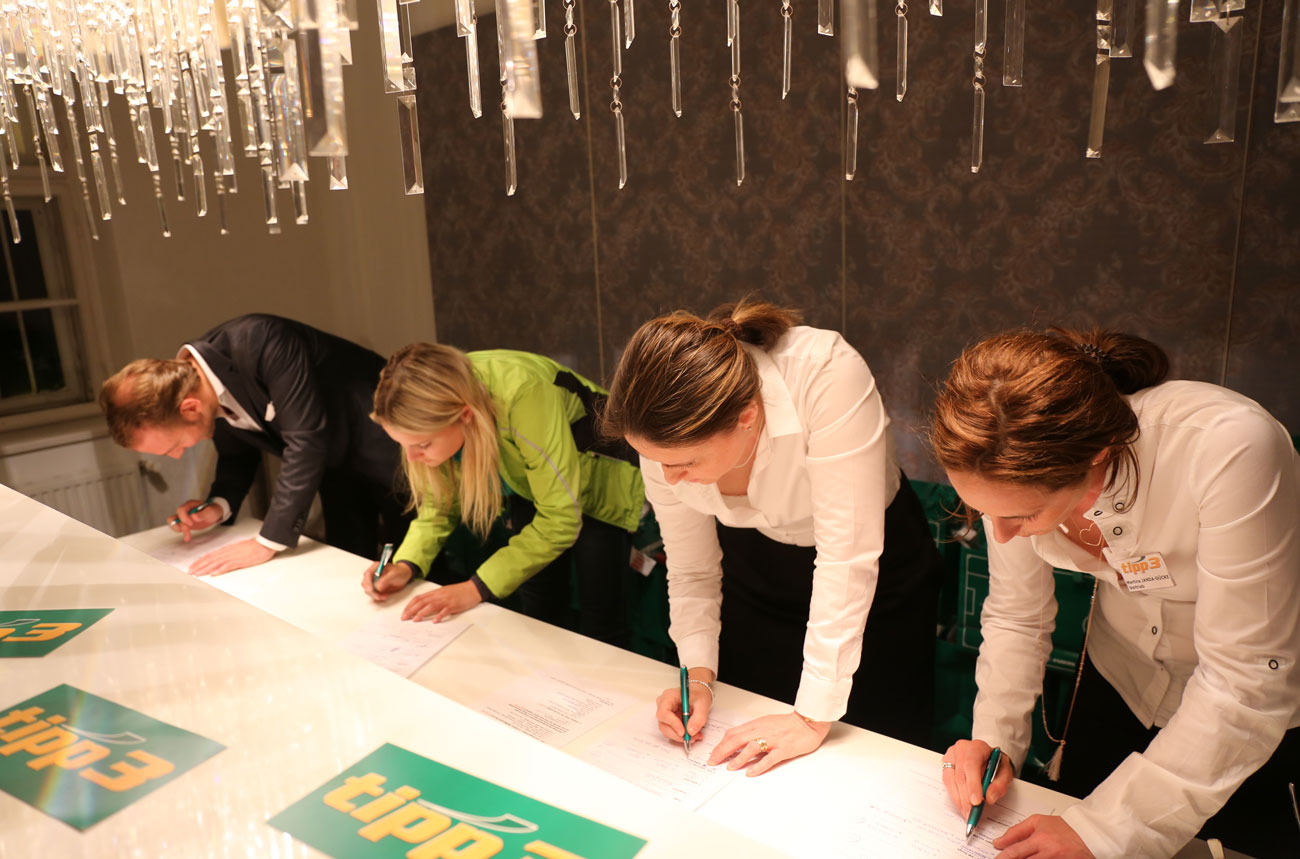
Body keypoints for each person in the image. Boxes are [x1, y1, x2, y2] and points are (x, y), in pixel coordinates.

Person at [930, 327, 1300, 859]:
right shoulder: (1001, 457)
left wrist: (1108, 829)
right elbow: (1017, 618)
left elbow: (1244, 679)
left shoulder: (1230, 445)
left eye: (1023, 516)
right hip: (1120, 683)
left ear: (1097, 455)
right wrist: (995, 742)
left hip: (1252, 716)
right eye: (985, 512)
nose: (1002, 534)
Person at [599, 300, 943, 777]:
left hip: (875, 577)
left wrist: (811, 717)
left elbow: (846, 558)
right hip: (753, 568)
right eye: (658, 462)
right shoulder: (663, 430)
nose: (669, 479)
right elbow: (693, 569)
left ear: (747, 417)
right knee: (749, 743)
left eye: (686, 464)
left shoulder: (825, 374)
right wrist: (697, 676)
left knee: (870, 758)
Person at [361, 343, 645, 646]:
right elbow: (438, 505)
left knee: (601, 622)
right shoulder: (438, 401)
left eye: (422, 445)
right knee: (539, 610)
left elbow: (560, 519)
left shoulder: (524, 392)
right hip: (529, 480)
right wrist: (407, 564)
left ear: (465, 415)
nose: (412, 458)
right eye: (403, 444)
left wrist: (474, 589)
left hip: (603, 475)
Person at [100, 314, 407, 574]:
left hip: (390, 446)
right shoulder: (200, 386)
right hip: (332, 470)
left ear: (190, 409)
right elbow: (236, 455)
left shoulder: (262, 340)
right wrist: (217, 507)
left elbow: (306, 440)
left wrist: (266, 542)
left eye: (174, 446)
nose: (178, 455)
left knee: (415, 563)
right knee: (348, 567)